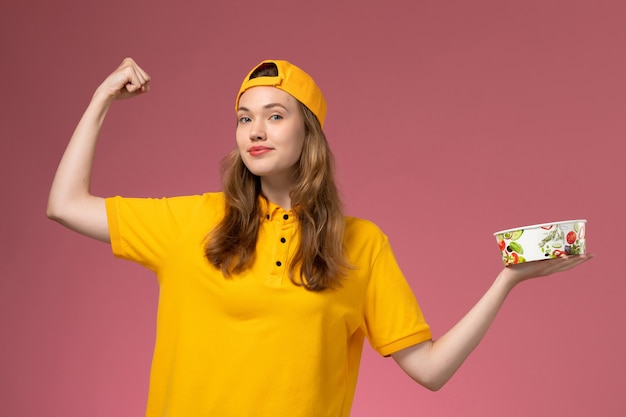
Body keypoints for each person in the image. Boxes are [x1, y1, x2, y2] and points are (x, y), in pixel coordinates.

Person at [47, 58, 592, 417]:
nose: (255, 131)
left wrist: (509, 279)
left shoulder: (361, 244)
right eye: (244, 118)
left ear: (309, 132)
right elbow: (65, 205)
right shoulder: (192, 222)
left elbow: (429, 370)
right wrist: (101, 99)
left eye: (274, 115)